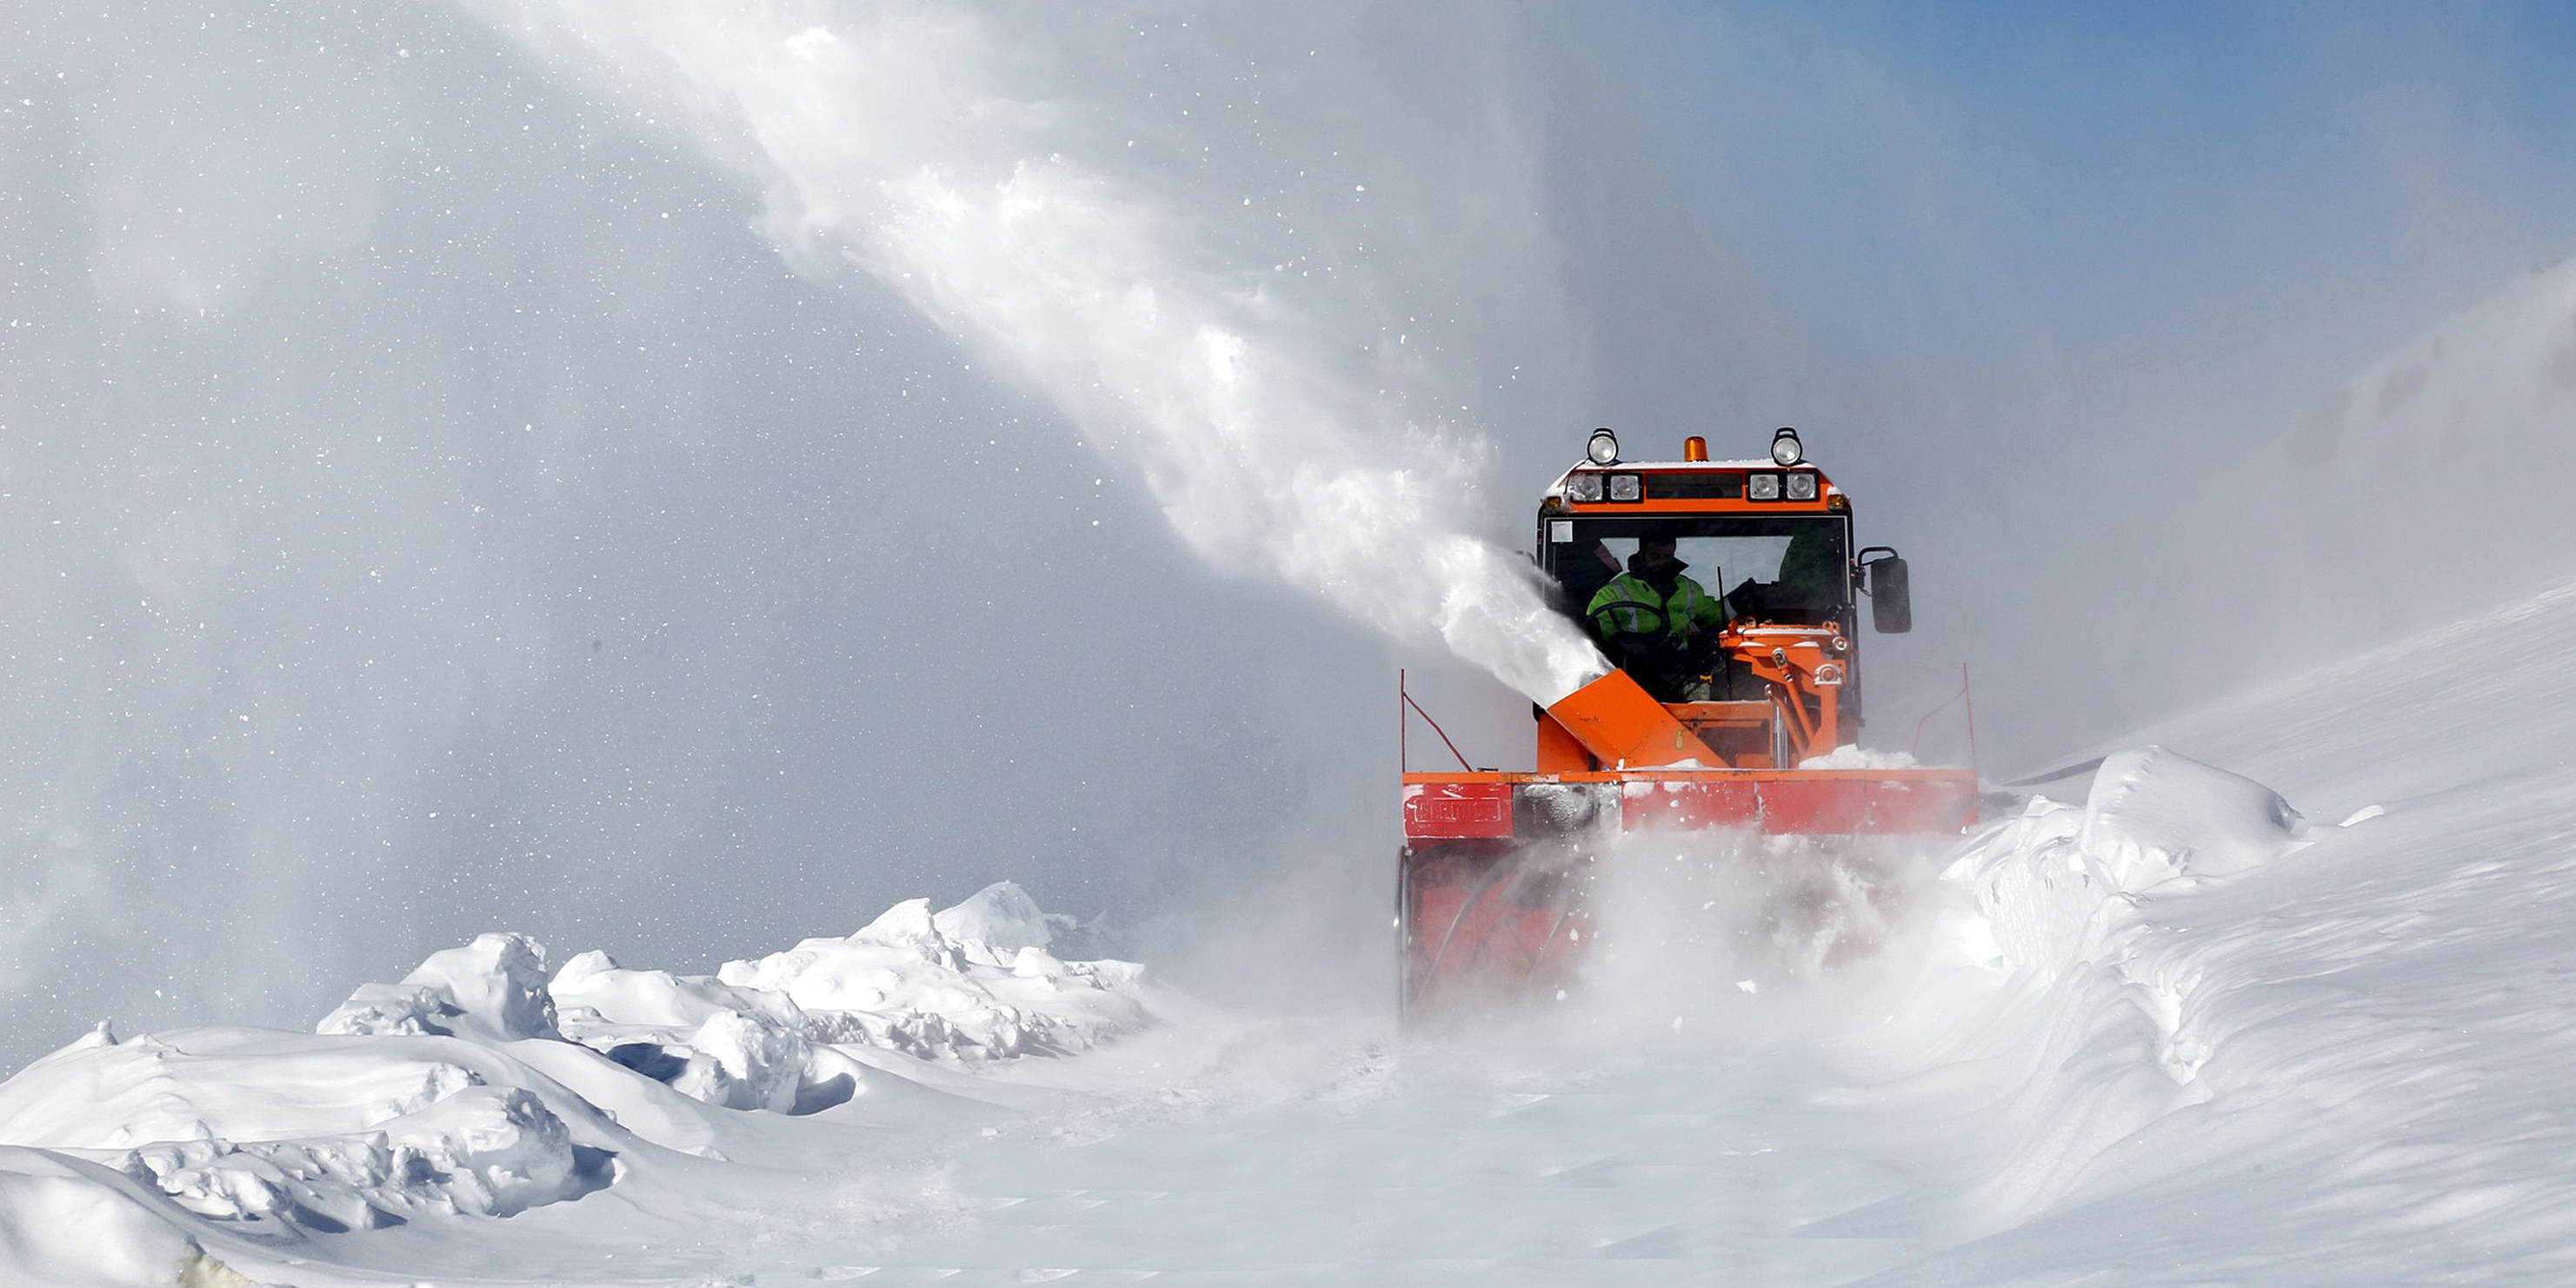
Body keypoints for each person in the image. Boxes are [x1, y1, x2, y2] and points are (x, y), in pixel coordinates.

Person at [1587, 536, 1727, 699]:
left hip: (1682, 674)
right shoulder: (1613, 593)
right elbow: (1594, 635)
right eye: (1655, 556)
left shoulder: (1688, 588)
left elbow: (1718, 617)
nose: (1662, 562)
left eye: (1667, 557)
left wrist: (1740, 601)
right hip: (1632, 677)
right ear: (1641, 554)